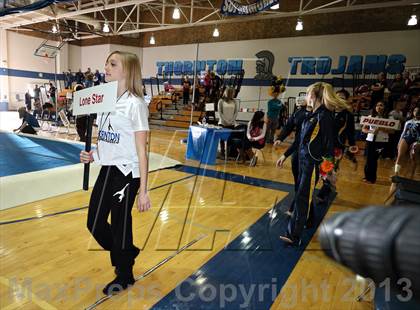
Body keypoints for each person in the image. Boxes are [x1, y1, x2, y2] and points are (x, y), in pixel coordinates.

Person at [79, 51, 151, 295]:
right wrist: (93, 155)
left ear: (127, 70)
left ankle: (125, 273)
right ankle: (126, 253)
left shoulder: (136, 104)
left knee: (120, 225)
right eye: (106, 62)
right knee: (94, 222)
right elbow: (107, 140)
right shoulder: (105, 101)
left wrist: (143, 191)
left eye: (112, 64)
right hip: (107, 168)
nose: (106, 67)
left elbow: (142, 150)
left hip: (127, 173)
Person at [279, 82, 349, 246]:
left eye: (308, 93)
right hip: (303, 161)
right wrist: (286, 154)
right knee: (301, 196)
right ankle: (303, 226)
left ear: (314, 96)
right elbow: (301, 140)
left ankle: (294, 235)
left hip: (312, 164)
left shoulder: (324, 116)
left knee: (302, 197)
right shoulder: (312, 115)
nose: (306, 96)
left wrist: (329, 171)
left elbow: (328, 146)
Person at [275, 97, 312, 215]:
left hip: (309, 153)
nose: (305, 98)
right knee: (298, 181)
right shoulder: (298, 112)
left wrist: (285, 155)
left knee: (303, 183)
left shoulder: (316, 115)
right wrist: (280, 138)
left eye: (308, 95)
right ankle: (297, 205)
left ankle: (297, 209)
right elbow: (288, 126)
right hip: (297, 150)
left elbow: (301, 140)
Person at [362, 101, 392, 184]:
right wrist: (371, 131)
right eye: (377, 105)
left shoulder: (389, 118)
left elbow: (392, 131)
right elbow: (364, 129)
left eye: (381, 105)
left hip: (381, 141)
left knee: (374, 159)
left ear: (385, 107)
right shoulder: (370, 117)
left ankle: (372, 178)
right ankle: (366, 176)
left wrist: (382, 129)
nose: (379, 107)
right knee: (368, 159)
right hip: (370, 140)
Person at [217, 86, 238, 158]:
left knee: (230, 139)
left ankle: (228, 153)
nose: (233, 94)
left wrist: (232, 120)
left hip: (231, 123)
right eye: (232, 93)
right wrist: (225, 120)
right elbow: (220, 112)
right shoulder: (221, 101)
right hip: (222, 123)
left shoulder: (234, 101)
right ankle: (222, 153)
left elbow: (236, 112)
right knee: (222, 139)